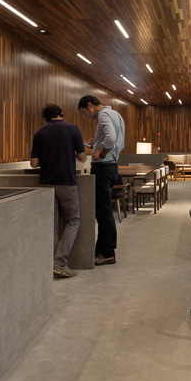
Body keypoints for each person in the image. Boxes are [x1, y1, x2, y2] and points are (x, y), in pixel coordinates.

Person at [30, 103, 87, 278]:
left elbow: (34, 163)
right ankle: (60, 263)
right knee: (73, 220)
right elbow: (83, 157)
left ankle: (49, 264)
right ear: (61, 113)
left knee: (52, 225)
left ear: (45, 118)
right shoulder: (73, 129)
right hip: (67, 182)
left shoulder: (39, 132)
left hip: (46, 183)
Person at [78, 95, 125, 265]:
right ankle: (101, 249)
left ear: (90, 105)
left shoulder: (103, 115)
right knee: (104, 211)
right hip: (112, 166)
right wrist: (96, 144)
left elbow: (111, 139)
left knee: (103, 212)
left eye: (85, 112)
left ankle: (107, 252)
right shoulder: (115, 114)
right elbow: (117, 141)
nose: (86, 116)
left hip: (103, 167)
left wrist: (102, 153)